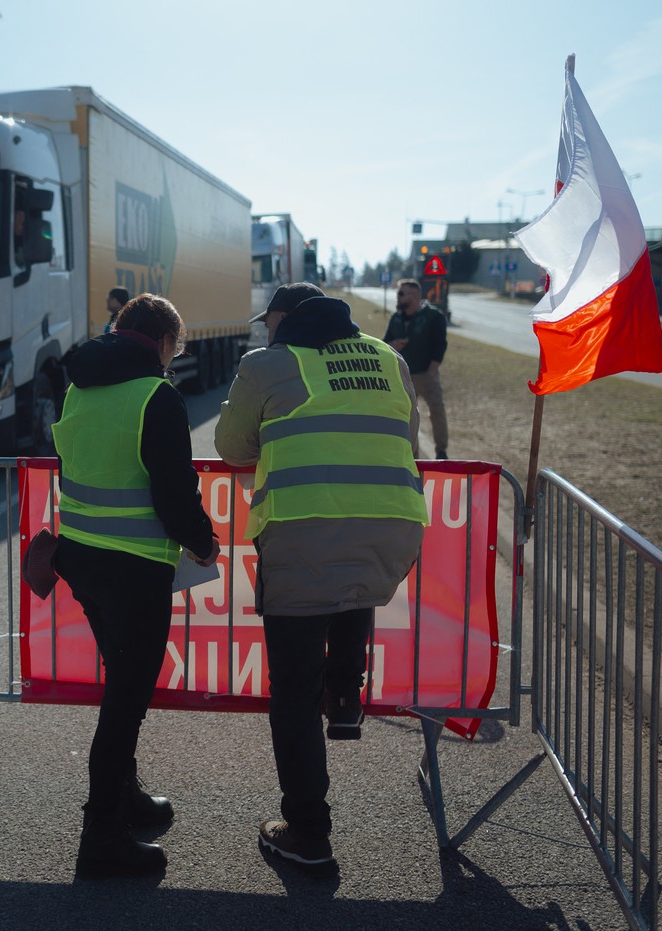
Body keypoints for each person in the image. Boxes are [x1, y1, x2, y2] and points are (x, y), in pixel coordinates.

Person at [214, 282, 427, 877]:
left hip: (303, 531)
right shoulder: (390, 358)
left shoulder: (269, 362)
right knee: (355, 586)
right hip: (393, 526)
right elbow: (407, 440)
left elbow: (231, 448)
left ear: (284, 320)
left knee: (292, 692)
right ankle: (347, 699)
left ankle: (307, 832)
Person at [52, 293, 221, 879]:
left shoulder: (79, 385)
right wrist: (204, 542)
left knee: (121, 687)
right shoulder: (157, 395)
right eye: (175, 351)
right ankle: (102, 835)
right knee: (126, 703)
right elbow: (174, 493)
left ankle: (124, 800)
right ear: (164, 343)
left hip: (80, 557)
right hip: (134, 568)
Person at [383, 278, 449, 459]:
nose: (398, 298)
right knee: (408, 416)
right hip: (403, 376)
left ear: (414, 296)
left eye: (401, 294)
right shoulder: (396, 318)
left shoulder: (434, 317)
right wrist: (393, 345)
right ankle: (413, 455)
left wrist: (432, 370)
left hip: (427, 375)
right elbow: (384, 343)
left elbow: (440, 345)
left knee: (437, 410)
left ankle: (441, 451)